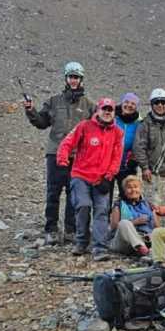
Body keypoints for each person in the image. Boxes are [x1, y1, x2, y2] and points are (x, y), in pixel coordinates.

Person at [24, 61, 94, 246]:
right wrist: (30, 110)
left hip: (77, 156)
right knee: (53, 192)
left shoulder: (89, 105)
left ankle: (71, 230)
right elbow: (41, 122)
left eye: (77, 77)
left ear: (81, 79)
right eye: (71, 76)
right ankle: (51, 230)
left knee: (74, 194)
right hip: (55, 153)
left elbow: (96, 127)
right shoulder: (54, 101)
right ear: (66, 78)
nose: (73, 80)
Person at [56, 98, 124, 261]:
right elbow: (67, 143)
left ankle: (100, 247)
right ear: (98, 110)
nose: (107, 112)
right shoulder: (84, 126)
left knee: (101, 210)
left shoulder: (117, 132)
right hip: (81, 175)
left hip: (101, 179)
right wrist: (62, 159)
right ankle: (81, 241)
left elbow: (117, 156)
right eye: (104, 109)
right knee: (84, 205)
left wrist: (109, 176)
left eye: (110, 109)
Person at [108, 175, 156, 258]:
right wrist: (135, 222)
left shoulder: (148, 205)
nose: (133, 190)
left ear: (140, 189)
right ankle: (143, 249)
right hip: (123, 243)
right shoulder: (118, 205)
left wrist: (151, 234)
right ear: (125, 191)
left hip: (144, 239)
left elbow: (156, 227)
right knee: (124, 223)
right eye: (129, 187)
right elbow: (114, 228)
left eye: (136, 187)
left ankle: (144, 250)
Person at [113, 93, 142, 198]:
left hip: (127, 166)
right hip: (109, 164)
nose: (129, 105)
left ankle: (126, 214)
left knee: (128, 197)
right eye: (126, 102)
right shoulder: (112, 118)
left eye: (133, 103)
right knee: (105, 199)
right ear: (122, 103)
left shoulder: (139, 123)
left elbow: (140, 144)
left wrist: (135, 159)